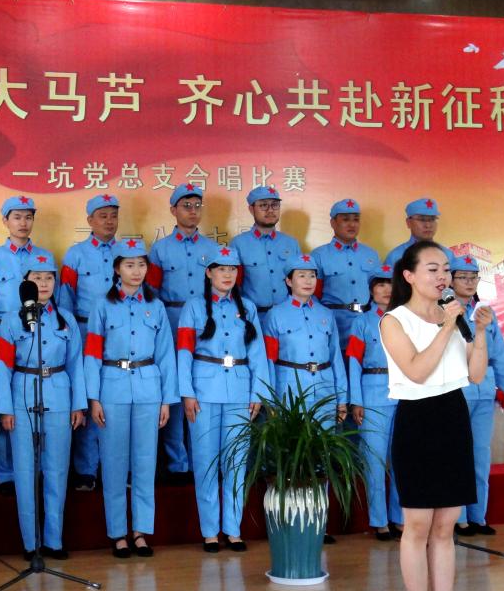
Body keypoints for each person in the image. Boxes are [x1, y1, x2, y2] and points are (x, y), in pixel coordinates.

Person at [379, 241, 493, 591]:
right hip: (418, 420)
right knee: (417, 526)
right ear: (409, 276)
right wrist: (446, 326)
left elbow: (475, 375)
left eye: (446, 269)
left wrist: (479, 332)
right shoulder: (394, 320)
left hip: (453, 417)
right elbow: (416, 371)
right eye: (433, 269)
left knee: (445, 529)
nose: (443, 276)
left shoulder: (454, 316)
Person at [83, 239, 177, 558]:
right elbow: (92, 354)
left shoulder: (156, 306)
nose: (136, 271)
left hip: (149, 388)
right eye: (129, 265)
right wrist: (93, 398)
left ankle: (140, 532)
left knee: (145, 462)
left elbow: (166, 355)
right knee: (113, 463)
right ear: (116, 268)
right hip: (112, 388)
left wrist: (166, 400)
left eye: (141, 265)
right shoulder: (102, 306)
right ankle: (118, 533)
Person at [0, 254, 86, 560]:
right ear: (25, 283)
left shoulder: (66, 319)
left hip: (58, 394)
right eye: (37, 278)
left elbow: (76, 364)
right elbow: (3, 366)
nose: (43, 284)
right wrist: (5, 409)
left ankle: (53, 541)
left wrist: (78, 405)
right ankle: (30, 542)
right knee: (25, 471)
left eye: (49, 278)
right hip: (23, 394)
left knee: (57, 469)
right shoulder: (11, 320)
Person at [177, 246, 268, 553]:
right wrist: (187, 392)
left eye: (232, 269)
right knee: (205, 462)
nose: (227, 275)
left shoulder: (248, 307)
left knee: (236, 462)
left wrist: (258, 393)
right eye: (221, 269)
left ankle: (233, 529)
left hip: (240, 391)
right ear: (209, 273)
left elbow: (258, 354)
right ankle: (210, 532)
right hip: (204, 391)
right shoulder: (193, 307)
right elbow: (184, 352)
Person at [261, 253, 347, 544]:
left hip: (323, 388)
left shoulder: (326, 314)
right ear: (288, 281)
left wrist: (342, 398)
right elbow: (269, 360)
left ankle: (319, 523)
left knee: (322, 455)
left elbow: (336, 358)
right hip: (289, 387)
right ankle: (288, 520)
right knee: (290, 455)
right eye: (301, 275)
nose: (308, 281)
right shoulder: (275, 315)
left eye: (312, 275)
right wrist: (271, 400)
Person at [0, 196, 55, 495]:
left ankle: (36, 468)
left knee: (36, 399)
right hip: (2, 332)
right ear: (5, 221)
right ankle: (5, 473)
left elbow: (55, 298)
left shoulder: (45, 256)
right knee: (4, 400)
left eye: (28, 217)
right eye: (17, 217)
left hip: (38, 334)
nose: (23, 223)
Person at [147, 183, 220, 480]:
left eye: (197, 206)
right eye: (186, 206)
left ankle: (204, 458)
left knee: (201, 385)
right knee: (175, 387)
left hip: (207, 322)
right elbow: (151, 291)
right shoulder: (159, 249)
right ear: (173, 210)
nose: (192, 211)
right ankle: (177, 462)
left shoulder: (213, 249)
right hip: (172, 319)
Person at [448, 254, 504, 537]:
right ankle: (459, 519)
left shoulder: (485, 312)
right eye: (462, 277)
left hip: (484, 390)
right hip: (456, 389)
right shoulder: (444, 310)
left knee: (480, 455)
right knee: (457, 455)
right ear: (450, 280)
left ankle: (478, 516)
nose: (468, 282)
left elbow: (499, 351)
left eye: (473, 277)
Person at [58, 193, 121, 492]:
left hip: (120, 334)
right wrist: (68, 336)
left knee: (117, 397)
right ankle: (86, 469)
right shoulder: (75, 255)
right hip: (84, 331)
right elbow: (65, 299)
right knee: (86, 396)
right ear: (89, 220)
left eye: (113, 215)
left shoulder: (128, 252)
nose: (109, 221)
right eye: (103, 215)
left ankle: (118, 468)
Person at [345, 265, 403, 541]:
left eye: (390, 284)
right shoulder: (362, 323)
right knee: (374, 461)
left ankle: (401, 518)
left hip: (404, 395)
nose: (386, 290)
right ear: (371, 290)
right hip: (372, 395)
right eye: (380, 285)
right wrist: (356, 400)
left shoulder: (407, 319)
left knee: (402, 460)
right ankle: (379, 521)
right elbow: (354, 362)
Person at [311, 198, 382, 349]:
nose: (352, 224)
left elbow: (379, 291)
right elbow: (313, 295)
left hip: (366, 324)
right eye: (345, 219)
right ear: (333, 223)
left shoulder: (371, 254)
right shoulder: (319, 255)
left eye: (356, 219)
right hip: (334, 323)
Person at [228, 185, 302, 314]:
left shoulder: (291, 243)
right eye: (263, 205)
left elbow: (300, 282)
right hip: (253, 316)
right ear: (251, 209)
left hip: (287, 315)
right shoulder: (238, 244)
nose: (270, 210)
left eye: (275, 205)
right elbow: (233, 285)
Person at [384, 198, 454, 271]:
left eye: (432, 219)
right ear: (408, 223)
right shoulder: (396, 256)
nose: (428, 225)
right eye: (422, 219)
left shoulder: (447, 254)